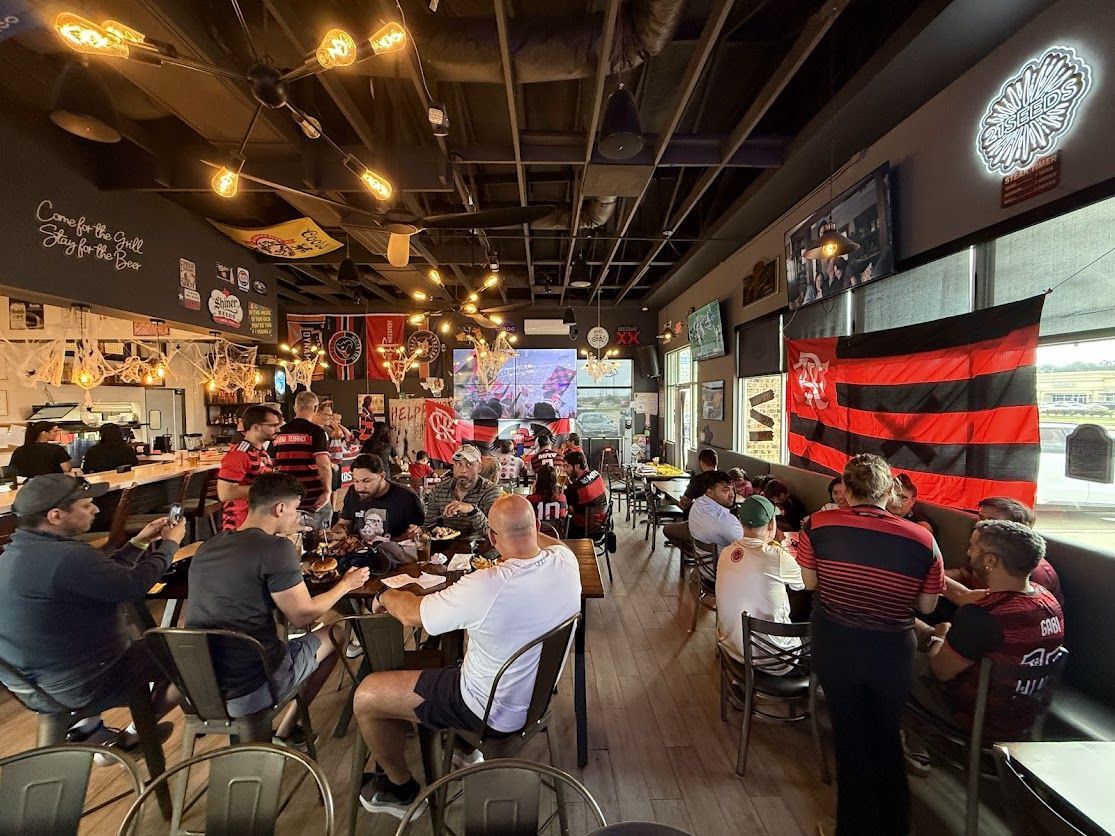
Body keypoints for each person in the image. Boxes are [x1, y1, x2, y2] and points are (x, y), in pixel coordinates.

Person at [353, 495, 581, 817]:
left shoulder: (485, 585)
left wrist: (384, 593)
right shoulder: (566, 563)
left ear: (491, 537)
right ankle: (463, 746)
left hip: (487, 710)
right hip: (536, 699)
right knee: (462, 653)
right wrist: (523, 529)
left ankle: (400, 789)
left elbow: (411, 614)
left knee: (367, 694)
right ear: (537, 528)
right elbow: (553, 544)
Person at [794, 453, 944, 836]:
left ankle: (852, 828)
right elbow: (927, 604)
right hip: (892, 647)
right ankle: (896, 826)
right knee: (887, 734)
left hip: (837, 641)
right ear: (888, 490)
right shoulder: (923, 540)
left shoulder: (816, 524)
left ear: (846, 487)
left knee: (849, 736)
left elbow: (810, 584)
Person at [0, 474, 184, 750]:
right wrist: (171, 545)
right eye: (86, 506)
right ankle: (135, 736)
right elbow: (132, 586)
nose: (96, 509)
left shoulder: (16, 553)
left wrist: (140, 542)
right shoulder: (68, 557)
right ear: (55, 515)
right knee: (198, 653)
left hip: (30, 687)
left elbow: (104, 577)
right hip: (79, 683)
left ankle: (88, 729)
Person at [186, 473, 370, 749]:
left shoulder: (208, 546)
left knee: (277, 634)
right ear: (280, 509)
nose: (297, 518)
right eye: (295, 510)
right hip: (250, 685)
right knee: (337, 633)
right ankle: (287, 729)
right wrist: (346, 584)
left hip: (196, 684)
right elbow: (304, 615)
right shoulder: (276, 547)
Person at [910, 520, 1066, 746]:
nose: (968, 552)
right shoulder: (1044, 598)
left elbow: (940, 671)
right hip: (1021, 714)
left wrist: (941, 635)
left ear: (991, 560)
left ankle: (911, 742)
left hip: (975, 717)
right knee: (916, 626)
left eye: (973, 547)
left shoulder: (982, 616)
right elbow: (965, 596)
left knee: (890, 648)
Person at [716, 496, 805, 671]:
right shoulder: (777, 556)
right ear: (772, 524)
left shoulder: (726, 552)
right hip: (773, 661)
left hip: (731, 650)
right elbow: (803, 583)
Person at [944, 496, 1063, 608]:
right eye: (980, 518)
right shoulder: (986, 551)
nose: (979, 525)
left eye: (992, 522)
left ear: (1015, 530)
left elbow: (1002, 608)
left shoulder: (1030, 572)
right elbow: (965, 575)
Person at [272, 391, 333, 532]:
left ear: (295, 407)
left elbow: (272, 464)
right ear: (316, 408)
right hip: (313, 497)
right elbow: (323, 465)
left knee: (292, 539)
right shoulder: (316, 432)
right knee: (320, 542)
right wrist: (328, 491)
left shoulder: (279, 432)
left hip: (287, 498)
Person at [216, 405, 281, 532]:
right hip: (240, 524)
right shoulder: (240, 454)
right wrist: (269, 488)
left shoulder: (261, 451)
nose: (277, 429)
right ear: (256, 427)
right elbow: (224, 493)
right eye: (272, 425)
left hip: (258, 521)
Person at [334, 455, 425, 542]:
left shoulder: (406, 496)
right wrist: (336, 532)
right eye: (356, 481)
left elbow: (422, 533)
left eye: (366, 481)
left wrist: (416, 533)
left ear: (382, 476)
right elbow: (344, 524)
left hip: (397, 553)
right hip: (360, 553)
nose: (360, 487)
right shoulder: (353, 492)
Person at [417, 445, 501, 538]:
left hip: (480, 548)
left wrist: (471, 510)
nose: (463, 470)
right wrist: (420, 531)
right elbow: (429, 525)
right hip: (446, 548)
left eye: (469, 464)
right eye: (458, 464)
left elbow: (493, 535)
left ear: (479, 468)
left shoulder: (491, 491)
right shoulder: (439, 490)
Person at [687, 470, 744, 551]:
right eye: (725, 490)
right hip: (722, 562)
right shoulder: (723, 519)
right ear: (709, 492)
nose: (732, 495)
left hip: (702, 557)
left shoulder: (698, 503)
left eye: (732, 489)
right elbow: (745, 544)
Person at [563, 450, 608, 537]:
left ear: (577, 466)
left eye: (567, 466)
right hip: (602, 524)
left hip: (585, 530)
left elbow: (568, 510)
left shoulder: (574, 489)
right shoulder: (596, 474)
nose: (565, 470)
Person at [678, 448, 719, 515]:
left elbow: (685, 503)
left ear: (701, 462)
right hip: (721, 518)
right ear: (716, 462)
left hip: (701, 517)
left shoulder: (697, 480)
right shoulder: (725, 478)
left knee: (669, 526)